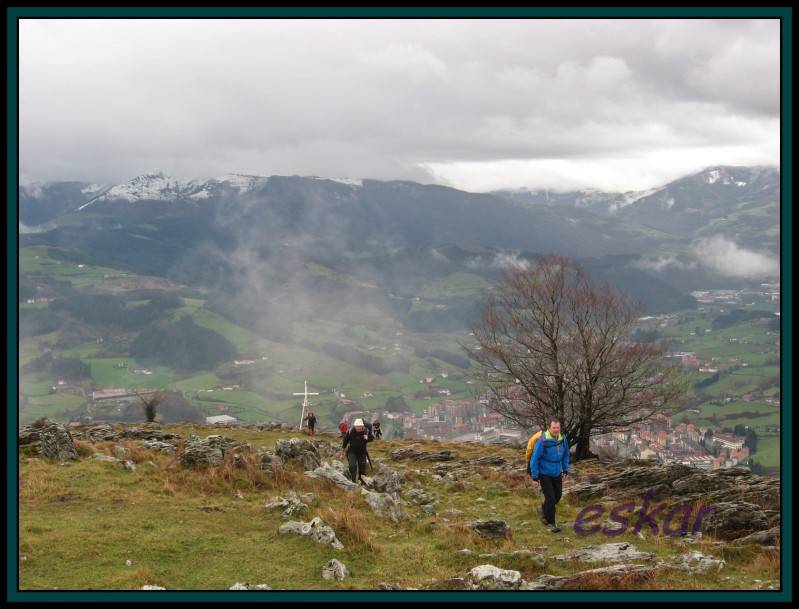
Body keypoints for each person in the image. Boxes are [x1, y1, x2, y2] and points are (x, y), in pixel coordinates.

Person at [529, 418, 570, 533]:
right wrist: (535, 477)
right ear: (549, 428)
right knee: (551, 499)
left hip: (557, 472)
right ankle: (551, 524)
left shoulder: (563, 439)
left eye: (558, 427)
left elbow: (566, 454)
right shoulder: (542, 441)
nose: (556, 430)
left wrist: (566, 470)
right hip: (544, 473)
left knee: (558, 496)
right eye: (554, 428)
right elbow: (534, 459)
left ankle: (543, 509)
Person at [342, 418, 373, 484]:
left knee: (362, 467)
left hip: (362, 452)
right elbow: (345, 440)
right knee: (353, 465)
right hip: (351, 451)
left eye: (359, 427)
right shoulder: (350, 431)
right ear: (354, 426)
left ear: (362, 426)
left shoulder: (366, 431)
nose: (358, 428)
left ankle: (362, 482)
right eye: (357, 427)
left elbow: (372, 438)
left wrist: (367, 438)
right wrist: (343, 449)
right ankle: (352, 482)